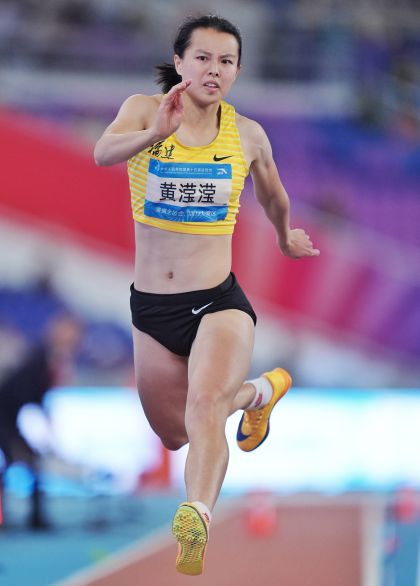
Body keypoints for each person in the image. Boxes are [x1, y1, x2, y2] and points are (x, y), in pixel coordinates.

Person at [94, 14, 319, 575]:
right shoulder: (143, 110)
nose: (214, 70)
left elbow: (273, 194)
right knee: (174, 433)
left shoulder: (247, 135)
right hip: (152, 307)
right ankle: (261, 393)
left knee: (205, 408)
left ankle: (195, 516)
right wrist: (155, 135)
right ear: (179, 63)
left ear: (237, 70)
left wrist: (284, 236)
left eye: (226, 61)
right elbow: (103, 153)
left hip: (218, 302)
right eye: (202, 58)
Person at [0, 313, 82, 530]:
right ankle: (22, 518)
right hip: (5, 418)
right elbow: (24, 395)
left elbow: (35, 398)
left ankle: (34, 518)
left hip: (12, 418)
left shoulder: (51, 358)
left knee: (28, 463)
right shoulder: (42, 357)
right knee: (21, 461)